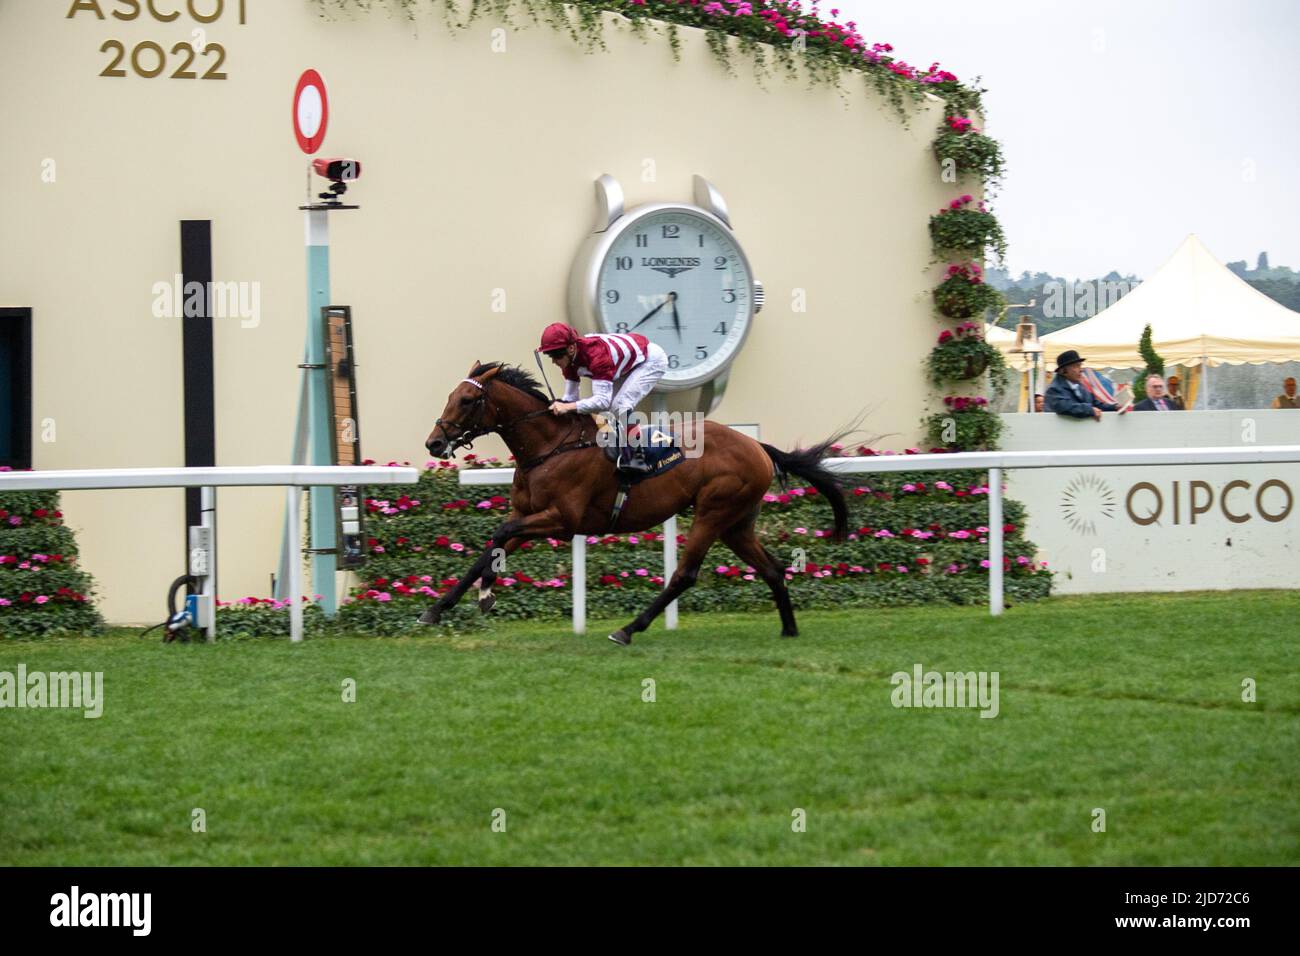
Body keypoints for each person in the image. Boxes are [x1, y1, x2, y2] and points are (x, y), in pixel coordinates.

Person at [535, 322, 668, 474]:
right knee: (613, 406)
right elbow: (570, 398)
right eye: (550, 356)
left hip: (650, 360)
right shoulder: (569, 361)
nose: (553, 361)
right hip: (624, 364)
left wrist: (566, 407)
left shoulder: (597, 356)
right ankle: (621, 448)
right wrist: (558, 406)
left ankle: (638, 457)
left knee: (620, 405)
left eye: (556, 356)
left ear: (571, 348)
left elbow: (601, 401)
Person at [1045, 350, 1120, 420]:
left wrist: (1115, 407)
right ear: (1063, 371)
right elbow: (1064, 406)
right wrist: (1089, 410)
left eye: (1080, 365)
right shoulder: (1054, 389)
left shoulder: (1080, 388)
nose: (1081, 370)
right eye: (1076, 366)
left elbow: (1096, 404)